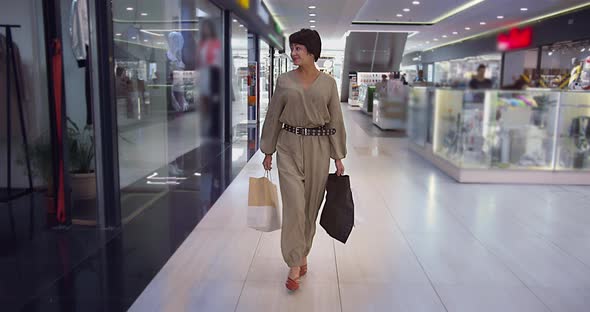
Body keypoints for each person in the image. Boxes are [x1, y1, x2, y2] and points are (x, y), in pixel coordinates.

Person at [260, 29, 347, 292]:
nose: (293, 53)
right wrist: (268, 149)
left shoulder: (329, 84)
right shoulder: (284, 81)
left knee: (310, 207)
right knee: (295, 207)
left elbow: (335, 121)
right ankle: (294, 263)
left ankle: (302, 253)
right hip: (288, 146)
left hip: (319, 147)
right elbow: (274, 115)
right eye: (293, 47)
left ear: (312, 53)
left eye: (299, 48)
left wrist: (338, 156)